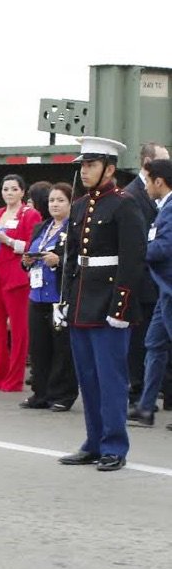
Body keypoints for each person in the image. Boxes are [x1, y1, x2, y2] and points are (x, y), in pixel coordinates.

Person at [59, 137, 146, 472]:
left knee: (111, 379)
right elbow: (71, 259)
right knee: (88, 378)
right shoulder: (79, 206)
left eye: (91, 165)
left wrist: (120, 307)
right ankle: (93, 442)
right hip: (82, 300)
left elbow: (133, 259)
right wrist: (65, 299)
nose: (84, 171)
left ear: (109, 169)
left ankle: (114, 445)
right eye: (82, 164)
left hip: (109, 303)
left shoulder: (124, 204)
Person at [20, 183, 78, 410]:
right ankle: (40, 393)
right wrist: (26, 261)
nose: (55, 204)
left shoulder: (74, 230)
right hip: (37, 296)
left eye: (61, 200)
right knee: (39, 348)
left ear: (71, 203)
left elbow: (76, 262)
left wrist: (59, 261)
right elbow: (30, 253)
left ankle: (63, 395)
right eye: (52, 200)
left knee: (61, 349)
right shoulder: (41, 228)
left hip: (59, 297)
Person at [0, 174, 42, 392]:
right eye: (6, 189)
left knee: (19, 331)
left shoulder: (30, 214)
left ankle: (14, 378)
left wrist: (7, 241)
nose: (9, 193)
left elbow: (33, 246)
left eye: (14, 189)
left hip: (16, 277)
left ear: (22, 192)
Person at [123, 142, 170, 403]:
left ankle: (150, 398)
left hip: (161, 282)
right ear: (148, 163)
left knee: (156, 343)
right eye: (163, 160)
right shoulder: (132, 194)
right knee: (145, 342)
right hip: (144, 282)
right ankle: (141, 396)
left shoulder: (165, 197)